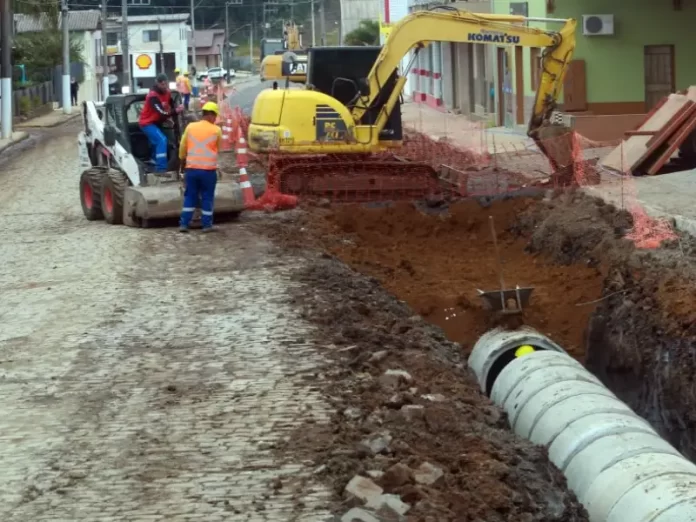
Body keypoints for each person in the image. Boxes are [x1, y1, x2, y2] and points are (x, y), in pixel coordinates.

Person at [178, 101, 222, 233]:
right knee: (207, 197)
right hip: (208, 172)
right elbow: (217, 149)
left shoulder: (190, 127)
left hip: (191, 170)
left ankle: (184, 224)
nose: (215, 119)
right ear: (211, 115)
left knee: (190, 196)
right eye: (215, 116)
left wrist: (182, 161)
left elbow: (183, 146)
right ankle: (207, 225)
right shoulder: (216, 130)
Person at [139, 73, 183, 173]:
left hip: (157, 122)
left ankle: (154, 161)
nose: (164, 86)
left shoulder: (167, 93)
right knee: (161, 140)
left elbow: (171, 106)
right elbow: (162, 113)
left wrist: (176, 112)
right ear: (157, 84)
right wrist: (175, 111)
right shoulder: (152, 96)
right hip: (147, 123)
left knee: (162, 142)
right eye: (162, 84)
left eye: (166, 84)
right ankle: (161, 169)